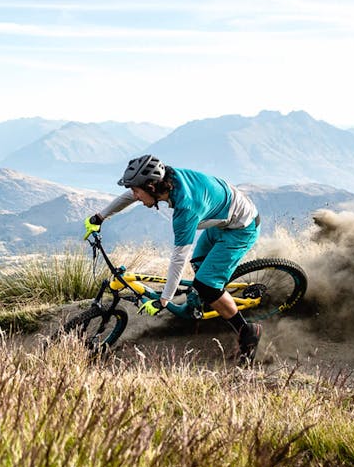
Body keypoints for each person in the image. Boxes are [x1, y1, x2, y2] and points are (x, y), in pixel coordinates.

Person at [83, 154, 263, 364]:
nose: (134, 196)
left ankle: (248, 331)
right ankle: (208, 302)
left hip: (241, 229)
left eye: (136, 191)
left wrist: (163, 300)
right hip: (225, 220)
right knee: (198, 264)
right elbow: (132, 195)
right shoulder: (165, 180)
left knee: (206, 286)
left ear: (151, 186)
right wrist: (101, 216)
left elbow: (178, 259)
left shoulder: (185, 209)